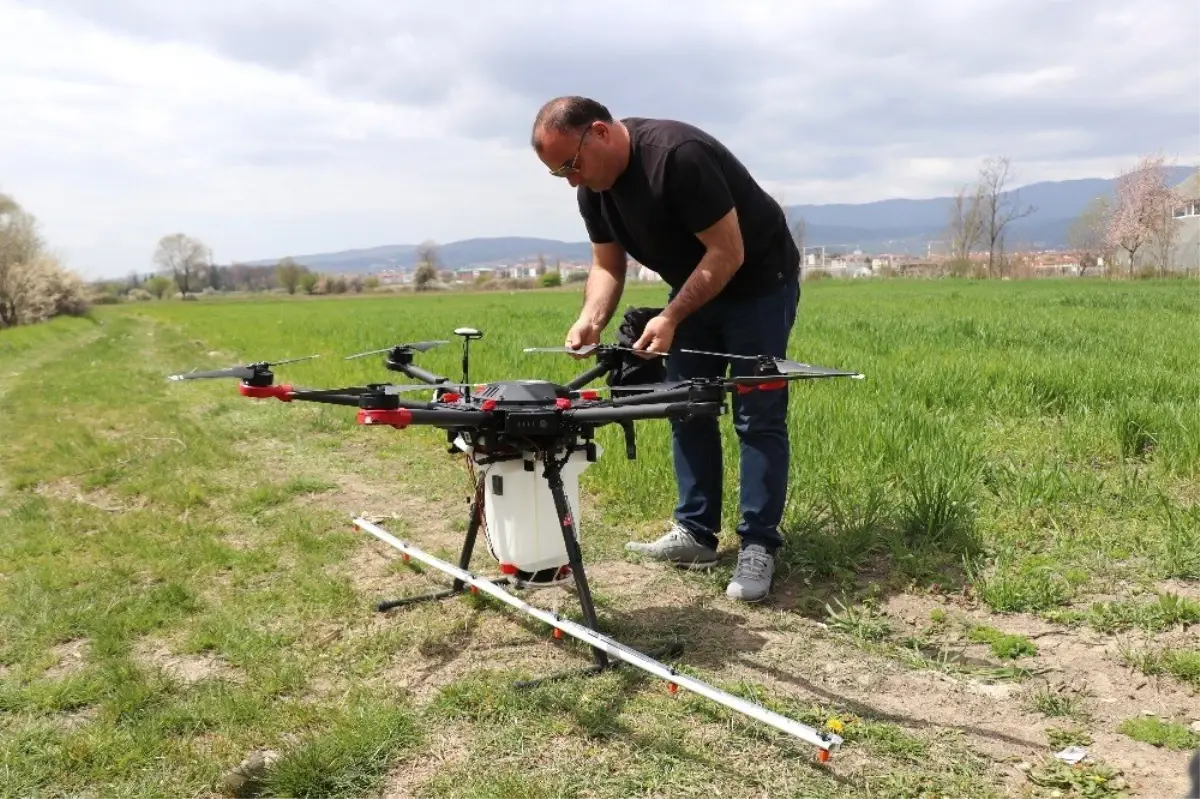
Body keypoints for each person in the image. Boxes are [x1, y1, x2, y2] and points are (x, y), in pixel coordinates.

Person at [529, 96, 802, 603]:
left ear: (601, 132)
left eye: (572, 164)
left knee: (757, 413)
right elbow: (608, 266)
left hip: (760, 283)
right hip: (694, 288)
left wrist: (672, 316)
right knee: (687, 406)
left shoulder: (678, 156)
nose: (571, 179)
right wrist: (591, 318)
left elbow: (729, 252)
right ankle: (696, 534)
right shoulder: (595, 189)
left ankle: (758, 544)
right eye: (558, 172)